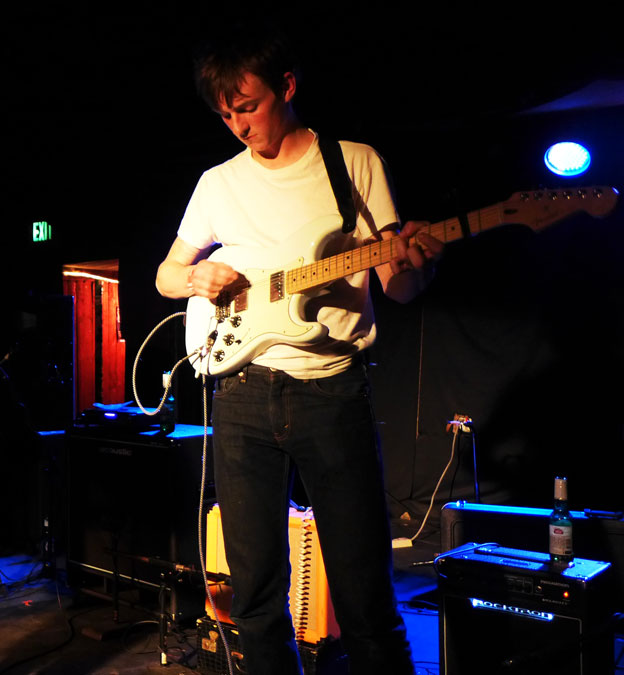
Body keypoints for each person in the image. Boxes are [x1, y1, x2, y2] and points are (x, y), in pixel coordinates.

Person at [155, 26, 441, 675]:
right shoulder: (216, 183)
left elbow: (397, 285)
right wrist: (197, 276)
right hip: (241, 392)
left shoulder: (353, 163)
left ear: (286, 86)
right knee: (255, 598)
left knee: (365, 596)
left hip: (332, 390)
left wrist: (419, 264)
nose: (238, 126)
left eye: (247, 107)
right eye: (225, 115)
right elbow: (166, 275)